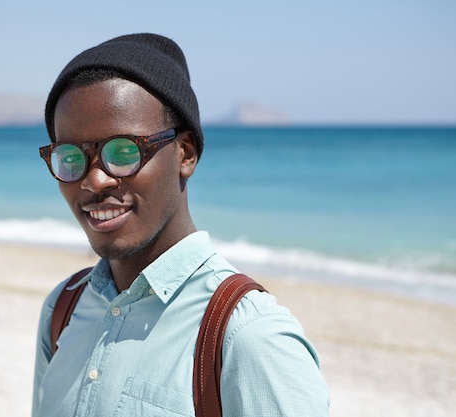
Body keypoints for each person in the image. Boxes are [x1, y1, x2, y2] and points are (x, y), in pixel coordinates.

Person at [32, 33, 330, 416]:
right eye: (70, 157)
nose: (95, 181)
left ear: (185, 153)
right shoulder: (64, 309)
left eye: (123, 152)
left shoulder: (248, 337)